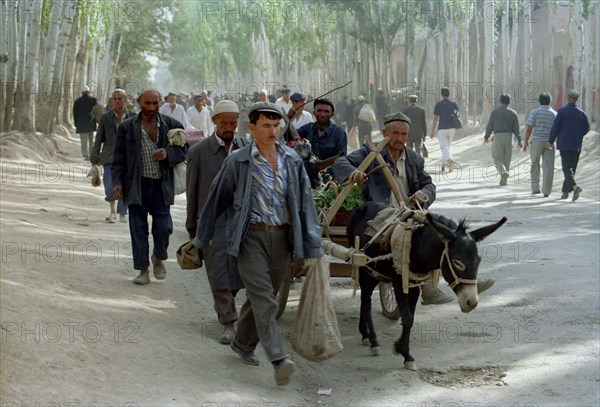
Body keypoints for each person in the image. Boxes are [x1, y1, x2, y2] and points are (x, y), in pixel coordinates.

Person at [193, 101, 323, 386]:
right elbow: (216, 199)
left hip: (282, 238)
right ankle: (279, 358)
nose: (272, 131)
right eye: (266, 125)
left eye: (276, 126)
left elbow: (305, 205)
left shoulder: (291, 160)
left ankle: (242, 342)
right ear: (251, 128)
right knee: (265, 299)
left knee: (263, 297)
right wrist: (201, 239)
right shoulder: (238, 160)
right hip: (249, 237)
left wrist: (312, 246)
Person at [334, 112, 494, 305]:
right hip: (380, 214)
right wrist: (354, 173)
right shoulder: (371, 152)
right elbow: (340, 162)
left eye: (403, 134)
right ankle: (428, 290)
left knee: (446, 234)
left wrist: (424, 194)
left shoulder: (414, 159)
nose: (399, 138)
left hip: (409, 212)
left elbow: (429, 185)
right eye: (394, 133)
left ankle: (468, 279)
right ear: (384, 132)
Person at [186, 100, 248, 344]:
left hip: (241, 223)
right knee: (218, 273)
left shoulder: (247, 149)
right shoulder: (199, 152)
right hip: (212, 223)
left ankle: (227, 307)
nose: (229, 127)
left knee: (237, 273)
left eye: (233, 123)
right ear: (214, 122)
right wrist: (193, 229)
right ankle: (228, 324)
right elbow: (192, 193)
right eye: (224, 123)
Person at [111, 87, 187, 285]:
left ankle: (158, 257)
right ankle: (143, 270)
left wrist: (168, 154)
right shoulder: (127, 127)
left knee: (164, 228)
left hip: (161, 187)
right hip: (136, 186)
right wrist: (117, 182)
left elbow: (184, 152)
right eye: (148, 103)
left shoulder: (172, 125)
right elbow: (118, 158)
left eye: (156, 103)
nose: (152, 107)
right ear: (138, 103)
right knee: (138, 229)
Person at [90, 88, 135, 223]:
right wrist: (94, 155)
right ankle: (112, 210)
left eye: (119, 99)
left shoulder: (134, 117)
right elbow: (99, 138)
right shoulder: (105, 118)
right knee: (109, 185)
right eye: (114, 99)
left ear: (125, 101)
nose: (116, 101)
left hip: (128, 158)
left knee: (125, 185)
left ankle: (122, 212)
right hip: (110, 157)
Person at [549, 89, 590, 201]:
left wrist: (550, 141)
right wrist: (578, 135)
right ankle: (565, 192)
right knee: (571, 169)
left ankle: (575, 187)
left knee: (567, 169)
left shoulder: (562, 111)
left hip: (564, 144)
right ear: (576, 100)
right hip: (576, 145)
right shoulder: (581, 113)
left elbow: (555, 127)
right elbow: (586, 128)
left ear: (569, 98)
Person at [523, 92, 557, 197]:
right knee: (549, 167)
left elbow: (529, 128)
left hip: (537, 141)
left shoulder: (534, 112)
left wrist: (526, 141)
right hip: (549, 143)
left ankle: (535, 188)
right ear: (550, 101)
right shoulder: (554, 114)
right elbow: (557, 129)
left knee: (534, 164)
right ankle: (546, 191)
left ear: (539, 101)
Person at [483, 93, 522, 186]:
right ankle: (504, 180)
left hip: (498, 136)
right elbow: (516, 129)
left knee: (496, 158)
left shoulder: (495, 112)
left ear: (500, 101)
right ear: (509, 102)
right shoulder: (513, 113)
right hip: (509, 137)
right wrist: (519, 140)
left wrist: (486, 136)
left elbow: (490, 126)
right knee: (507, 159)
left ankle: (503, 172)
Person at [430, 87, 460, 172]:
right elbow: (458, 115)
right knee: (447, 147)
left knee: (444, 146)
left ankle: (449, 161)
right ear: (449, 94)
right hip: (452, 129)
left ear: (441, 94)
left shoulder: (438, 104)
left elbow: (435, 118)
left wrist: (432, 131)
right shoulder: (454, 104)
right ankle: (444, 165)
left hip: (442, 129)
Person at [73, 85, 97, 160]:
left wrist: (76, 123)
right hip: (91, 123)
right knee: (91, 140)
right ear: (89, 92)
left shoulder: (77, 101)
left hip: (81, 124)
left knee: (83, 140)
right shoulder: (93, 100)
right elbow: (97, 111)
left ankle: (85, 155)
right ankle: (91, 154)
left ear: (82, 92)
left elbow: (75, 113)